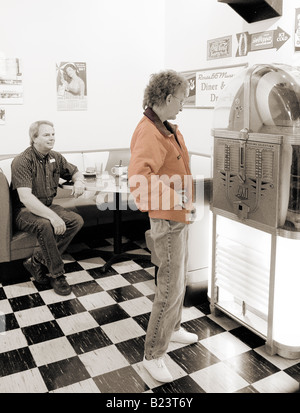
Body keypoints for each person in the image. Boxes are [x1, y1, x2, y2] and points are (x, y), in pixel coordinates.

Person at [128, 70, 198, 383]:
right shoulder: (149, 131)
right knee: (169, 287)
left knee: (178, 279)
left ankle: (174, 327)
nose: (184, 105)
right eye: (182, 99)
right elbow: (140, 180)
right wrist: (180, 201)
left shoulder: (166, 126)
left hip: (178, 217)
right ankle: (153, 355)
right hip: (168, 220)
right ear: (168, 98)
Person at [10, 120, 85, 296]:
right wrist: (53, 217)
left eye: (53, 134)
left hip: (47, 205)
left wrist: (79, 180)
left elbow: (75, 171)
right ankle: (57, 275)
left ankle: (37, 260)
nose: (52, 138)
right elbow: (26, 198)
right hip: (24, 211)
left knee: (76, 220)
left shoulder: (55, 157)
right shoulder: (22, 161)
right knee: (44, 224)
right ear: (34, 138)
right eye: (46, 135)